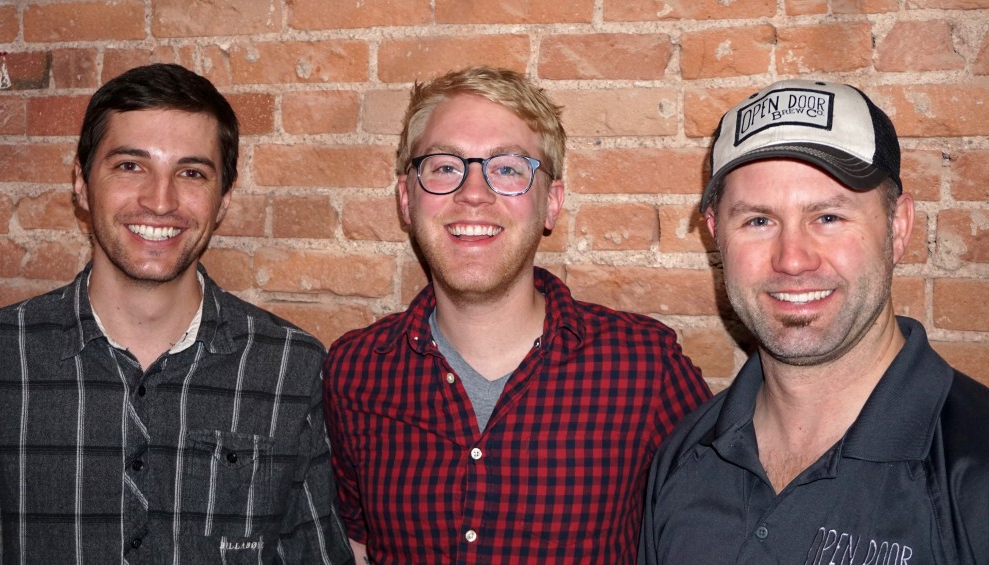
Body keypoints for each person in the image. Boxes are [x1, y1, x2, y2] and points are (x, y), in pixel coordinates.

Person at [322, 65, 712, 564]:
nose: (474, 194)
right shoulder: (356, 371)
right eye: (445, 166)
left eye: (507, 168)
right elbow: (356, 544)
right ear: (406, 199)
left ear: (551, 203)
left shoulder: (645, 367)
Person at [0, 64, 352, 564]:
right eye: (130, 165)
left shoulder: (289, 367)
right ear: (82, 183)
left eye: (191, 173)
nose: (160, 200)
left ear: (223, 200)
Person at [639, 79, 989, 564]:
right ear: (716, 234)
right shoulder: (683, 457)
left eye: (827, 216)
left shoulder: (974, 475)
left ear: (898, 228)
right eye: (758, 221)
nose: (793, 260)